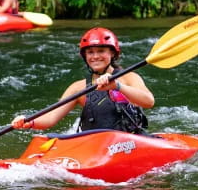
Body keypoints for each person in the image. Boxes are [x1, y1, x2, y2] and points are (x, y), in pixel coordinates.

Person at [12, 27, 154, 134]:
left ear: (112, 53)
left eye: (101, 51)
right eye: (90, 52)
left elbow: (149, 101)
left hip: (129, 141)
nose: (95, 56)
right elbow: (51, 117)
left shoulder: (128, 77)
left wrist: (117, 86)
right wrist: (29, 121)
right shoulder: (78, 87)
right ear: (85, 56)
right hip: (95, 145)